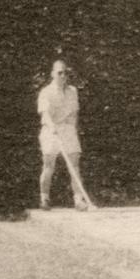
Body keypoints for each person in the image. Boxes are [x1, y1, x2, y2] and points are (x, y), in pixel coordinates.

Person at [37, 61, 94, 211]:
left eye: (65, 73)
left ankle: (78, 200)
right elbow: (45, 114)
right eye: (59, 73)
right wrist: (53, 128)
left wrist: (70, 130)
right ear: (52, 74)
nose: (63, 76)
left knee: (74, 165)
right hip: (50, 130)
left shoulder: (72, 91)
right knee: (49, 165)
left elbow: (74, 114)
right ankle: (44, 198)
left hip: (67, 130)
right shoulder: (46, 92)